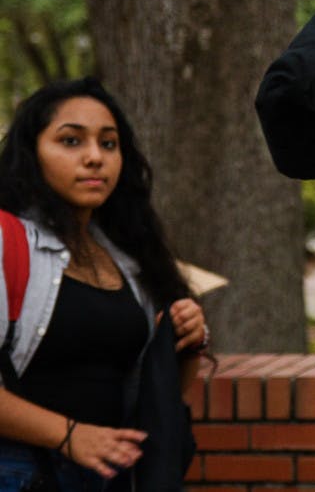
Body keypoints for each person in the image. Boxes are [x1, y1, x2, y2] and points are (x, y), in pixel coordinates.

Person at [0, 78, 209, 491]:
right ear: (32, 154)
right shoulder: (7, 241)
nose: (95, 157)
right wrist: (69, 434)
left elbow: (156, 393)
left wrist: (186, 343)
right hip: (21, 475)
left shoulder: (128, 256)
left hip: (111, 477)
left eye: (108, 144)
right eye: (71, 141)